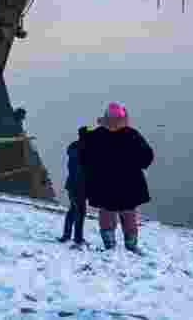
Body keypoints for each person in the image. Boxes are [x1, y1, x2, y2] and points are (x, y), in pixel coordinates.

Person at [81, 102, 154, 253]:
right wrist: (134, 164)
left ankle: (110, 245)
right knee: (128, 215)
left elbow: (85, 158)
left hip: (103, 184)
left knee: (107, 214)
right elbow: (147, 156)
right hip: (129, 183)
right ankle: (131, 246)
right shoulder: (132, 134)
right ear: (124, 118)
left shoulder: (96, 135)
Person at [58, 126, 89, 244]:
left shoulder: (75, 148)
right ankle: (78, 238)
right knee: (80, 212)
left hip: (72, 184)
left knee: (73, 210)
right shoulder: (84, 150)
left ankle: (66, 235)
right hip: (79, 186)